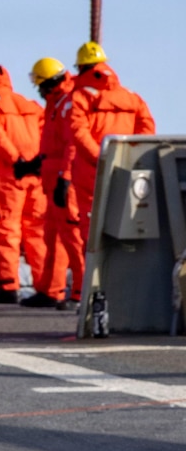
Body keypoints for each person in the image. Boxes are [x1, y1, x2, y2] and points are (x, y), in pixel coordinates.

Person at [69, 43, 157, 278]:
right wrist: (131, 155)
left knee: (92, 228)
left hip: (92, 170)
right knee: (127, 223)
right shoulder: (130, 96)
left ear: (82, 67)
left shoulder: (80, 96)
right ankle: (126, 280)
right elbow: (147, 126)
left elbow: (78, 131)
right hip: (126, 169)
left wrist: (101, 157)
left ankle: (96, 283)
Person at [0, 65, 45, 305]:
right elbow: (46, 131)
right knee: (37, 230)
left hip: (8, 172)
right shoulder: (28, 104)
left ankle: (8, 287)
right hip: (36, 174)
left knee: (6, 229)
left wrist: (16, 160)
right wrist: (37, 161)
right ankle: (46, 288)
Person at [32, 56, 83, 308]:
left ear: (50, 83)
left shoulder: (68, 103)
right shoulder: (56, 104)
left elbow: (72, 144)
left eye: (40, 85)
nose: (39, 91)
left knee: (73, 236)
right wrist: (35, 163)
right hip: (52, 175)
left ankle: (80, 291)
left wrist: (65, 177)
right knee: (53, 235)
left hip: (63, 178)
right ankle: (50, 289)